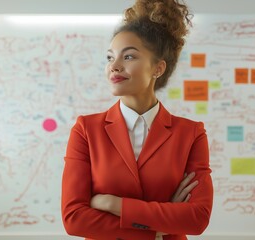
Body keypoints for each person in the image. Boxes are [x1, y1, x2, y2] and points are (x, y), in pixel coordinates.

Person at [61, 0, 213, 239]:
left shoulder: (191, 134)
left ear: (158, 69)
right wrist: (158, 227)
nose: (114, 66)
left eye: (129, 57)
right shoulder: (85, 130)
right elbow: (74, 219)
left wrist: (114, 204)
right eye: (110, 57)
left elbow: (197, 219)